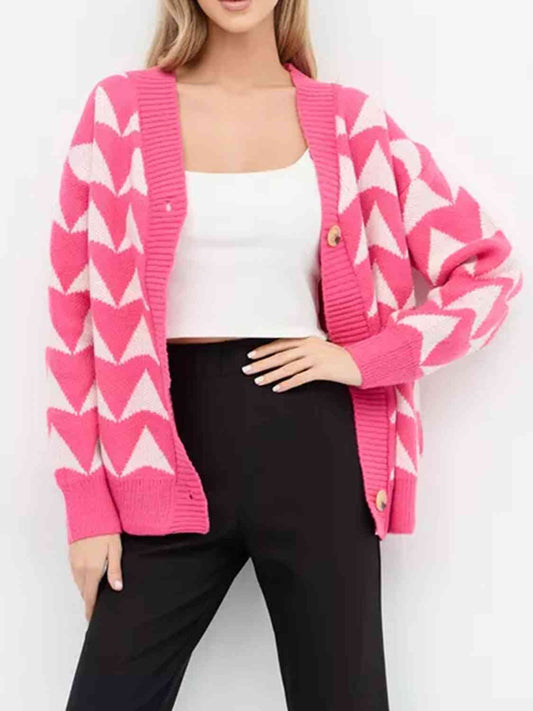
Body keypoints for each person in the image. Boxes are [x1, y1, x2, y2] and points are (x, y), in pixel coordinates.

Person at [45, 1, 523, 709]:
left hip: (316, 454)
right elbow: (74, 315)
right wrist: (86, 508)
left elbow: (490, 270)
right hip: (160, 460)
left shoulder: (352, 124)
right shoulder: (117, 113)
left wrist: (366, 358)